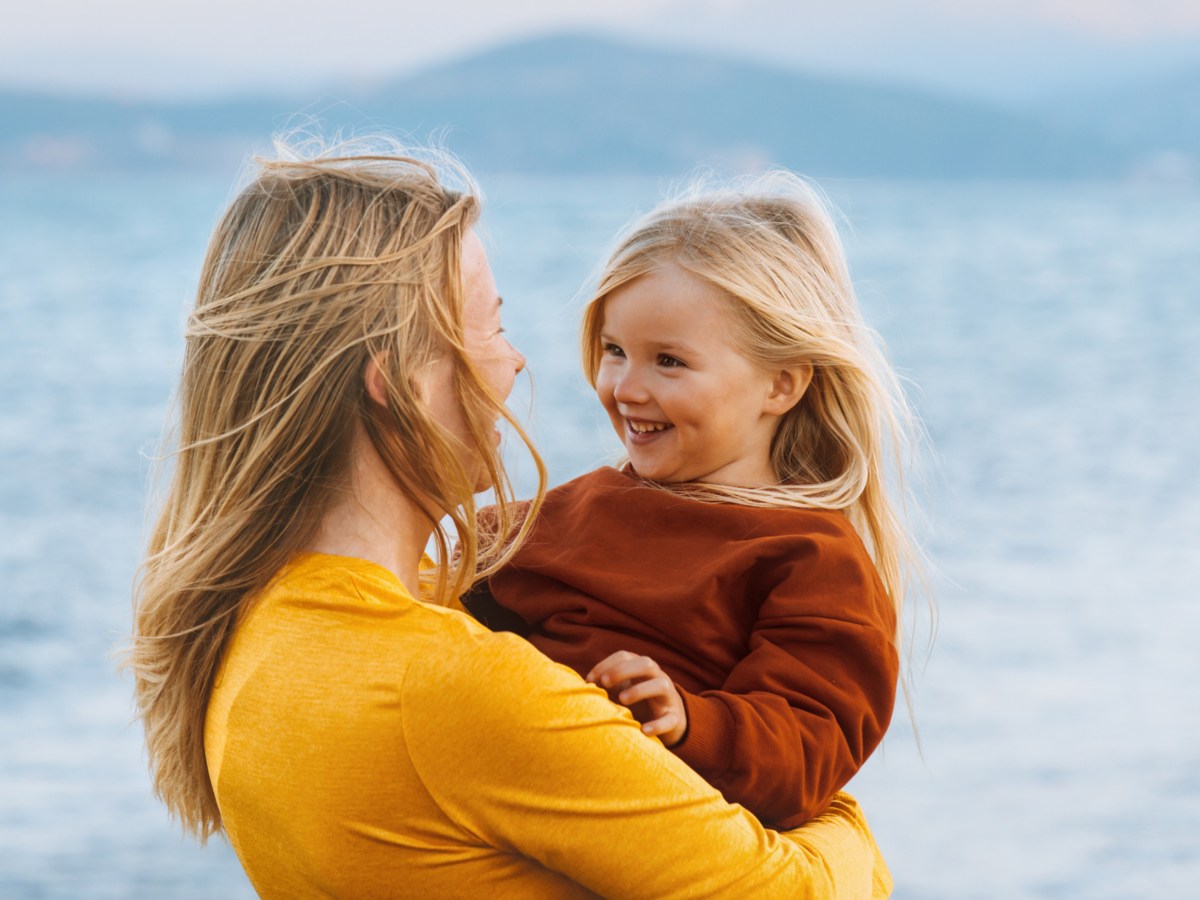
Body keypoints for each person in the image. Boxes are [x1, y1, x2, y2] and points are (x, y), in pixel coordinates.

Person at [125, 143, 893, 898]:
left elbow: (812, 723)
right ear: (397, 377)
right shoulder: (453, 684)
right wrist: (848, 829)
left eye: (668, 361)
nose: (519, 361)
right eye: (492, 326)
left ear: (782, 384)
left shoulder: (266, 624)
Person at [468, 172, 922, 831]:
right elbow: (443, 642)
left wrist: (689, 719)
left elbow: (810, 749)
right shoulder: (560, 517)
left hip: (662, 842)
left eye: (669, 362)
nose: (626, 387)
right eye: (614, 351)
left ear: (781, 385)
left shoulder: (810, 559)